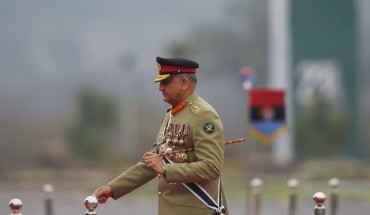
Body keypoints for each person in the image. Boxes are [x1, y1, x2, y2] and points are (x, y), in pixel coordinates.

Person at [93, 56, 229, 215]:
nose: (160, 88)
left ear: (184, 83)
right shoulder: (172, 114)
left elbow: (211, 167)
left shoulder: (203, 115)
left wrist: (166, 169)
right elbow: (153, 162)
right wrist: (113, 188)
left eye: (166, 82)